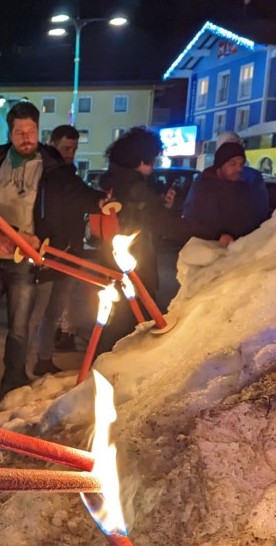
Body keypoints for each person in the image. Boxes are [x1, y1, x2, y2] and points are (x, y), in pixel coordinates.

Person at [0, 102, 105, 402]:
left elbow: (75, 192)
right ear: (10, 132)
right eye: (19, 132)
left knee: (19, 327)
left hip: (24, 260)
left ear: (38, 129)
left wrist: (100, 203)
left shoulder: (52, 165)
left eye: (30, 131)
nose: (26, 138)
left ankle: (12, 380)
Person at [95, 127, 174, 354]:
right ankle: (110, 366)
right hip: (133, 263)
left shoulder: (114, 181)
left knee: (118, 317)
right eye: (153, 159)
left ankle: (105, 363)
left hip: (110, 258)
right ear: (141, 159)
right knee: (132, 320)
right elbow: (144, 223)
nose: (155, 165)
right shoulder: (136, 188)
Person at [30, 123, 95, 375]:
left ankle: (43, 359)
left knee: (55, 310)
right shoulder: (45, 172)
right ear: (53, 142)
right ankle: (20, 366)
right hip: (48, 251)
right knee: (37, 311)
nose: (70, 153)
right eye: (66, 147)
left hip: (69, 251)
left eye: (74, 148)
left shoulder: (69, 173)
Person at [181, 139, 270, 244]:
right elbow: (193, 222)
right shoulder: (203, 187)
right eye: (233, 164)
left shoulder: (243, 188)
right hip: (208, 251)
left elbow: (254, 219)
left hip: (239, 250)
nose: (239, 169)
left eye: (241, 164)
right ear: (220, 165)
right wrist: (218, 236)